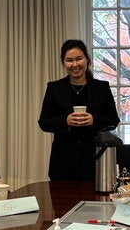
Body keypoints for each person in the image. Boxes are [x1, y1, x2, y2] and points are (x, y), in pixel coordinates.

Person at [38, 39, 120, 181]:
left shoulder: (101, 88)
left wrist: (94, 120)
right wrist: (65, 120)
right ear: (63, 63)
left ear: (87, 59)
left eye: (79, 59)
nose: (75, 64)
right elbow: (44, 123)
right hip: (62, 162)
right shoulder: (54, 88)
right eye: (69, 60)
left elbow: (114, 120)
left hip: (95, 160)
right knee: (62, 203)